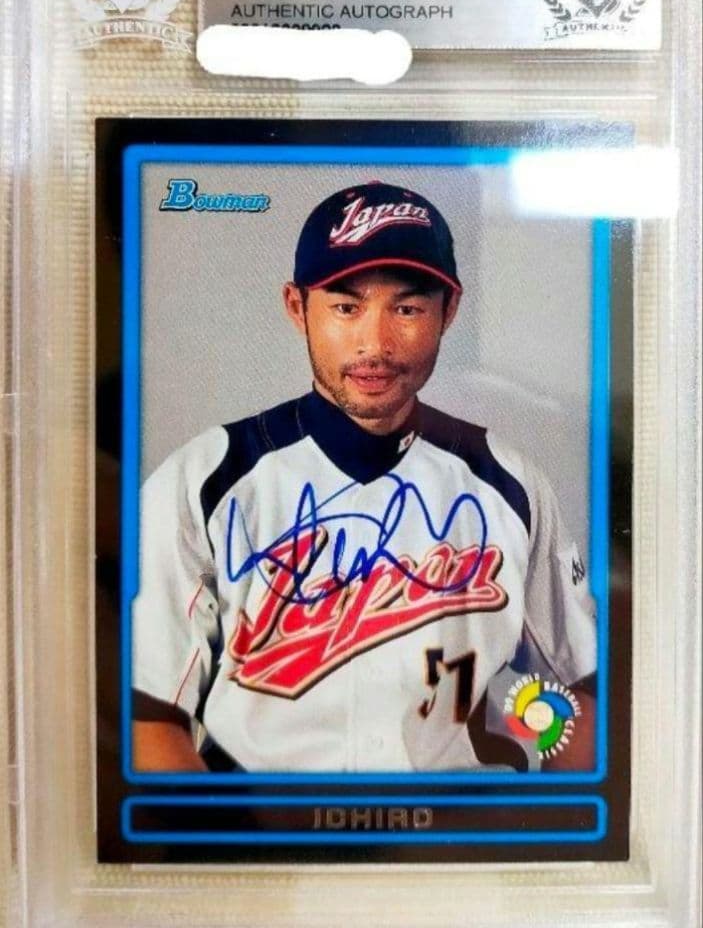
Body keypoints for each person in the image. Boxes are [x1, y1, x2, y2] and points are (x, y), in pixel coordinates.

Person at [132, 181, 596, 773]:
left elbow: (583, 692)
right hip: (260, 823)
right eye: (346, 308)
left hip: (457, 824)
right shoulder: (204, 479)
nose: (375, 344)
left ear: (449, 311)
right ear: (297, 307)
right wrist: (227, 836)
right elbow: (151, 720)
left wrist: (543, 827)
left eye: (407, 309)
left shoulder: (509, 485)